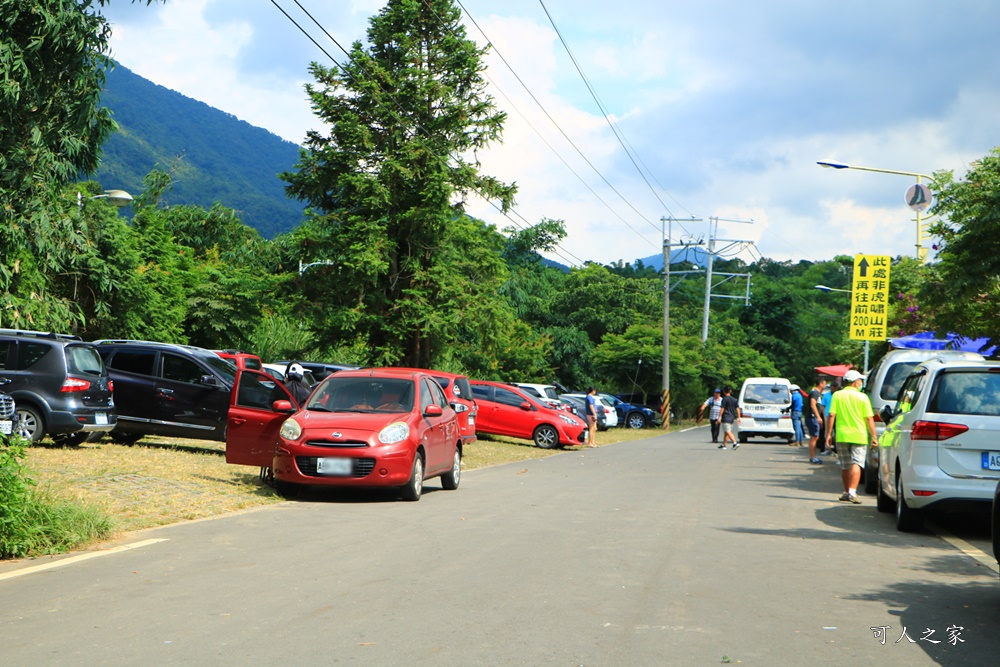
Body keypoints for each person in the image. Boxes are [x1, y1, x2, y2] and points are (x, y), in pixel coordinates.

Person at [825, 370, 877, 504]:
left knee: (845, 465)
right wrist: (874, 437)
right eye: (860, 380)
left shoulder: (837, 395)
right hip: (859, 435)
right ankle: (852, 492)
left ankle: (847, 491)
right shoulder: (863, 397)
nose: (861, 382)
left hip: (842, 435)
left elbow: (831, 415)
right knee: (857, 463)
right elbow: (869, 418)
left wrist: (829, 434)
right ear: (855, 382)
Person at [806, 378, 827, 464]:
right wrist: (818, 417)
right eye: (825, 384)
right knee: (814, 437)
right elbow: (812, 405)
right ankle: (812, 457)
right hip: (812, 417)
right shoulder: (815, 393)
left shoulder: (818, 393)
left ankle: (813, 456)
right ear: (821, 384)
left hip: (814, 417)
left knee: (815, 436)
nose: (825, 386)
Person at [719, 385, 741, 450]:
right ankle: (724, 444)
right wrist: (739, 417)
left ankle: (735, 443)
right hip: (731, 417)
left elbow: (722, 408)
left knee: (728, 431)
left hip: (726, 417)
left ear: (724, 391)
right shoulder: (734, 399)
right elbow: (737, 408)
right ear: (730, 391)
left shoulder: (724, 399)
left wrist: (719, 417)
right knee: (726, 432)